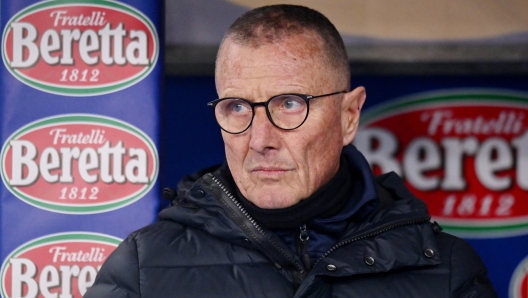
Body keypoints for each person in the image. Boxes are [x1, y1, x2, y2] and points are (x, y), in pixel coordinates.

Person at [84, 4, 497, 297]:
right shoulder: (143, 270)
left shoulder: (444, 273)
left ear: (348, 115)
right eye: (237, 107)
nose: (260, 138)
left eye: (289, 104)